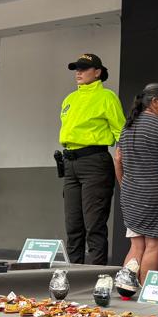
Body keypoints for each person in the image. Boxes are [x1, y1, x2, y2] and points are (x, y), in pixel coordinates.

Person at [115, 83, 158, 283]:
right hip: (157, 197)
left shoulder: (126, 127)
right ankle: (144, 297)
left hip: (130, 196)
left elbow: (118, 160)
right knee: (153, 246)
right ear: (155, 101)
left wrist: (126, 187)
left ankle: (125, 291)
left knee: (136, 247)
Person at [58, 52, 124, 265]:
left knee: (94, 225)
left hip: (94, 160)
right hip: (69, 162)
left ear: (98, 72)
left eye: (84, 69)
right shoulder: (69, 98)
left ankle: (95, 278)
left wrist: (125, 163)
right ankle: (71, 278)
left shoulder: (107, 97)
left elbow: (121, 132)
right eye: (76, 69)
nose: (79, 73)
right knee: (73, 225)